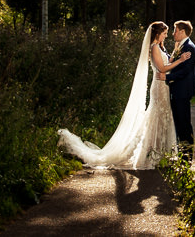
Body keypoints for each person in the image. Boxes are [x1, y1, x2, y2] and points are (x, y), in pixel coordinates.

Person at [56, 21, 179, 169]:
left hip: (164, 87)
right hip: (159, 87)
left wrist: (176, 53)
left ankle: (160, 153)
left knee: (163, 116)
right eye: (164, 33)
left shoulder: (159, 47)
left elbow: (167, 62)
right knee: (156, 116)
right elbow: (162, 68)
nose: (166, 36)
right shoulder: (153, 48)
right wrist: (181, 61)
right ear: (158, 34)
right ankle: (150, 154)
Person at [165, 20, 195, 155]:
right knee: (179, 124)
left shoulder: (189, 47)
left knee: (184, 125)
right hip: (178, 91)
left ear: (182, 32)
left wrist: (166, 77)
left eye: (175, 30)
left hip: (182, 92)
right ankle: (182, 156)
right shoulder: (181, 46)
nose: (173, 33)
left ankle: (187, 158)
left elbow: (185, 71)